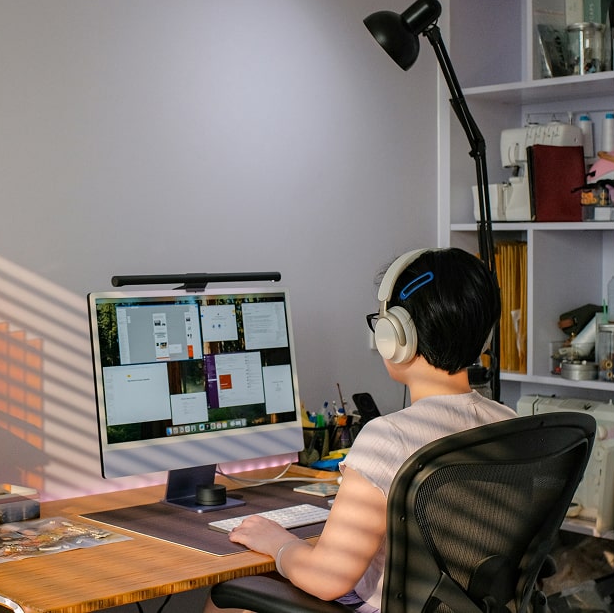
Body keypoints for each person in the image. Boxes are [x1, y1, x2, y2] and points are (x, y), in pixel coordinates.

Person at [206, 248, 516, 613]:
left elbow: (327, 580)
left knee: (226, 599)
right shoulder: (508, 423)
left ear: (395, 335)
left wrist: (278, 542)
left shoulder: (389, 437)